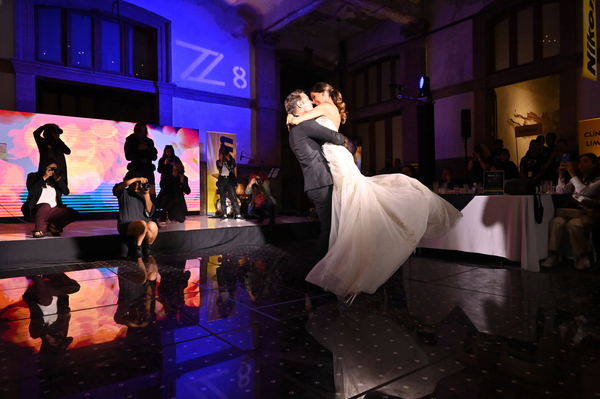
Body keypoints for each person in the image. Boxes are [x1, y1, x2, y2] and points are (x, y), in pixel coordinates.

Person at [287, 82, 462, 299]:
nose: (312, 101)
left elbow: (304, 119)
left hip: (337, 159)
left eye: (314, 97)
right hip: (334, 161)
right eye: (308, 99)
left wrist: (293, 117)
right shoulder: (320, 113)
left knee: (351, 206)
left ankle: (337, 267)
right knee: (350, 208)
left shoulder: (323, 108)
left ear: (325, 94)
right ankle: (344, 264)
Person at [285, 87, 347, 261]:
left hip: (315, 184)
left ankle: (326, 271)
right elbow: (336, 137)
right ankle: (318, 275)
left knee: (330, 228)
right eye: (307, 99)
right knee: (329, 229)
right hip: (321, 184)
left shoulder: (294, 129)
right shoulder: (305, 124)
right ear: (299, 103)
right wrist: (343, 140)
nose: (311, 102)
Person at [541, 153, 600, 270]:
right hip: (574, 211)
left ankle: (583, 256)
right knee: (556, 222)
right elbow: (561, 191)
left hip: (590, 212)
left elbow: (584, 192)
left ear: (594, 164)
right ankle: (553, 255)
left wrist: (572, 174)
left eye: (585, 161)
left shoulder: (598, 180)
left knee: (573, 225)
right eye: (580, 162)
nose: (581, 164)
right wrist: (562, 175)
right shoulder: (577, 179)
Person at [21, 158, 78, 238]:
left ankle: (54, 227)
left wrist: (58, 180)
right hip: (35, 210)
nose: (53, 171)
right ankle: (37, 230)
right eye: (51, 169)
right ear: (44, 168)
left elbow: (66, 192)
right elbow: (32, 191)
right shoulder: (33, 177)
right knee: (45, 206)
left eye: (55, 169)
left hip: (52, 211)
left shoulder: (55, 180)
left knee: (73, 213)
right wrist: (44, 177)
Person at [113, 170, 158, 258]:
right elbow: (120, 186)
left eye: (138, 183)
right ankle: (137, 248)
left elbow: (149, 211)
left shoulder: (143, 193)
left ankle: (147, 248)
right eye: (135, 182)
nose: (137, 185)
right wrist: (136, 179)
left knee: (152, 225)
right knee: (141, 224)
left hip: (143, 224)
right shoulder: (123, 192)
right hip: (126, 225)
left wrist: (146, 195)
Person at [33, 123, 71, 188]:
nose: (57, 134)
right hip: (47, 174)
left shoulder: (58, 143)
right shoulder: (43, 143)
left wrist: (57, 139)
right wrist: (45, 127)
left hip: (59, 174)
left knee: (59, 192)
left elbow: (67, 151)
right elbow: (36, 134)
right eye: (55, 132)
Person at [124, 123, 158, 188]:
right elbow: (128, 157)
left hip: (148, 169)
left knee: (150, 192)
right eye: (140, 131)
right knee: (136, 191)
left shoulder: (149, 141)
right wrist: (138, 149)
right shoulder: (130, 140)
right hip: (136, 169)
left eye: (144, 131)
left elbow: (154, 157)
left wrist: (150, 150)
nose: (142, 133)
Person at [216, 145, 243, 220]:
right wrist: (221, 158)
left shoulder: (231, 160)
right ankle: (224, 215)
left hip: (229, 181)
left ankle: (238, 215)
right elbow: (219, 167)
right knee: (222, 198)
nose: (223, 153)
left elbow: (232, 167)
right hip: (222, 181)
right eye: (221, 152)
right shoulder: (218, 161)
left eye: (224, 151)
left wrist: (228, 159)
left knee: (233, 197)